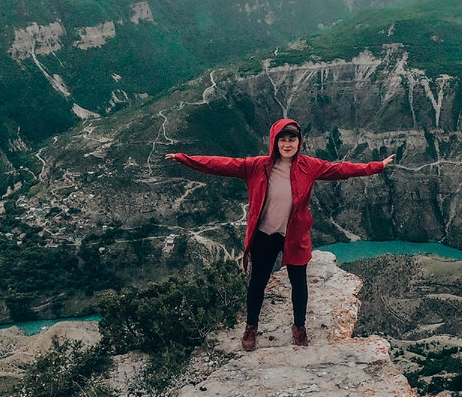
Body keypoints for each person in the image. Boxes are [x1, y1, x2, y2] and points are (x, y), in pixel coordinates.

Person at [166, 118, 394, 350]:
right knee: (258, 282)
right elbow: (220, 164)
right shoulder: (257, 166)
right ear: (274, 142)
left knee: (299, 283)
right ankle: (251, 328)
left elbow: (341, 169)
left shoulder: (309, 165)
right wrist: (185, 159)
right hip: (265, 233)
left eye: (291, 139)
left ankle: (299, 327)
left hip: (294, 234)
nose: (287, 144)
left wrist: (376, 166)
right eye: (282, 139)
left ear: (299, 142)